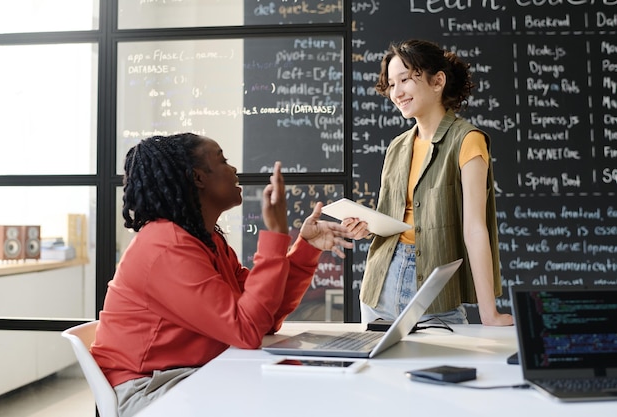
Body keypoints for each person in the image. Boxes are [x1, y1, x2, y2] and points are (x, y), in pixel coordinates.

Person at [90, 133, 354, 417]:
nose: (234, 169)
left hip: (195, 373)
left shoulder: (204, 240)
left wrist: (305, 249)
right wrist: (275, 232)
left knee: (304, 390)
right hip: (150, 389)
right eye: (223, 160)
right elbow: (247, 330)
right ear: (198, 177)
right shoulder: (167, 246)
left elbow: (263, 316)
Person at [343, 39, 513, 327]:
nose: (397, 92)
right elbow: (393, 220)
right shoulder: (397, 146)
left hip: (435, 292)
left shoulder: (468, 140)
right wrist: (366, 228)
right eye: (391, 84)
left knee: (440, 371)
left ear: (437, 82)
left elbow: (474, 228)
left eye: (405, 80)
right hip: (378, 286)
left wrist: (489, 313)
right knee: (377, 373)